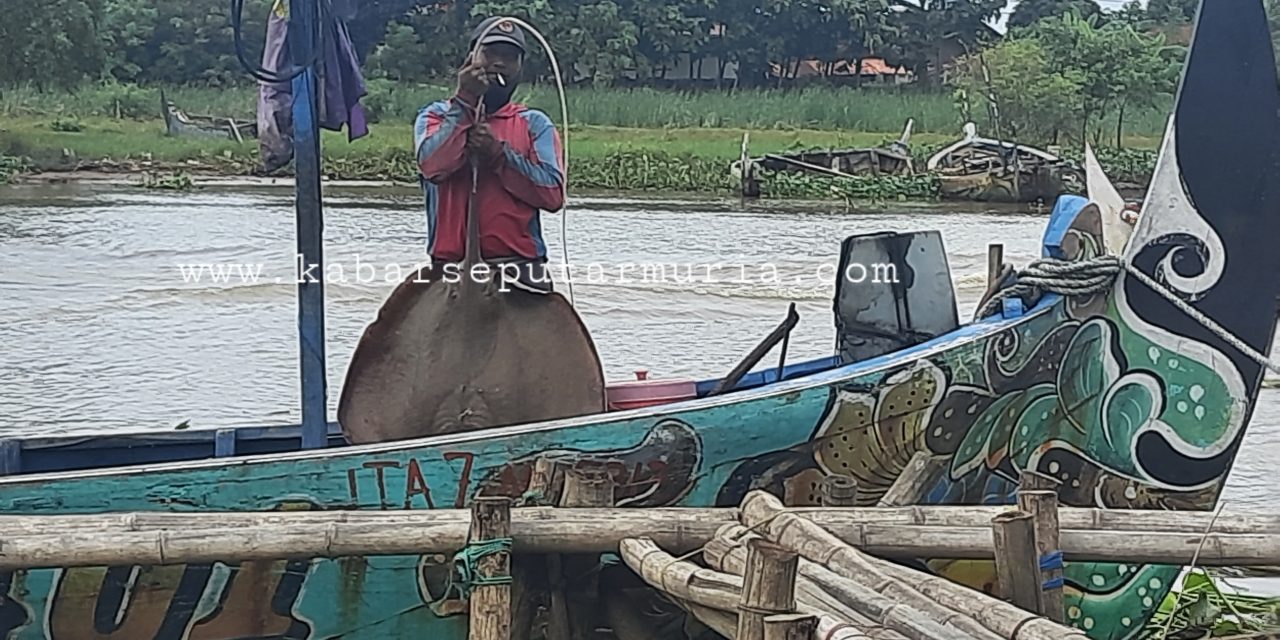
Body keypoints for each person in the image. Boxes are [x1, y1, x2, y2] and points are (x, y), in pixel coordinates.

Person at [413, 17, 564, 294]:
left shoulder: (535, 124)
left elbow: (553, 194)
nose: (499, 62)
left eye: (509, 56)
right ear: (471, 58)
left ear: (520, 67)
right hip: (449, 269)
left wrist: (498, 155)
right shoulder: (435, 115)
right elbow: (432, 165)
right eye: (490, 53)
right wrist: (464, 102)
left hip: (520, 270)